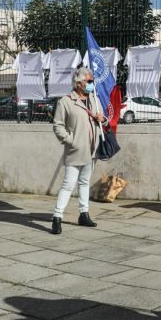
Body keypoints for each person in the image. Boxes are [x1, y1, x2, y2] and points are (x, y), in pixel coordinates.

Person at [50, 66, 105, 234]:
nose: (91, 84)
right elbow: (57, 125)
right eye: (89, 81)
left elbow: (102, 117)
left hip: (91, 149)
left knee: (84, 183)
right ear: (79, 83)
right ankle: (57, 217)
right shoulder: (66, 101)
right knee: (68, 184)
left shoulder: (94, 98)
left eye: (92, 81)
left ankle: (84, 213)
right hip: (75, 150)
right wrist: (70, 140)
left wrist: (101, 118)